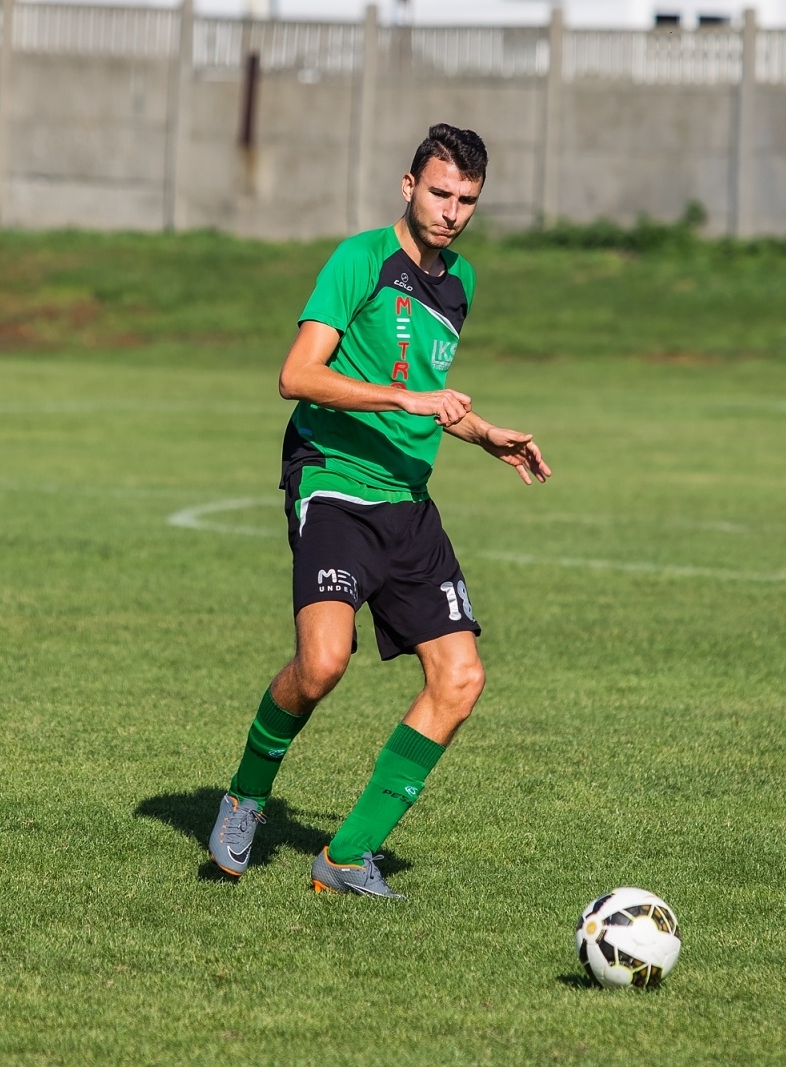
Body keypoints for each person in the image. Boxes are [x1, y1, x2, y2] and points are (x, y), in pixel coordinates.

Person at [207, 124, 552, 899]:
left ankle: (345, 855)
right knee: (322, 663)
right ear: (408, 185)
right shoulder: (360, 259)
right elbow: (298, 375)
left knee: (460, 678)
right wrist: (404, 398)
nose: (452, 211)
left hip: (408, 501)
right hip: (335, 483)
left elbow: (424, 389)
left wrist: (483, 433)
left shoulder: (460, 283)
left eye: (467, 199)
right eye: (440, 192)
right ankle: (246, 794)